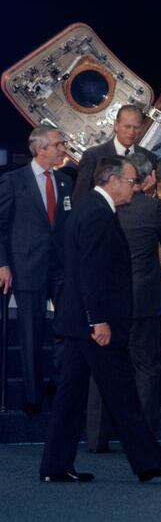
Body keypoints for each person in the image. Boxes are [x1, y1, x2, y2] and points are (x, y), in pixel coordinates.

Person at [39, 156, 161, 482]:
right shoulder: (97, 214)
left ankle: (55, 466)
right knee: (121, 392)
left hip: (79, 324)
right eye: (132, 181)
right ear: (112, 180)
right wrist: (98, 321)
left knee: (70, 397)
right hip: (94, 327)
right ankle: (149, 462)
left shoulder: (90, 207)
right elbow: (91, 274)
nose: (135, 187)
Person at [85, 153, 161, 452]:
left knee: (103, 368)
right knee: (146, 369)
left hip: (108, 302)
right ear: (149, 178)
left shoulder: (104, 207)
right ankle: (140, 439)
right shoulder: (151, 207)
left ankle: (95, 438)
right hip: (144, 302)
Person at [0, 125, 73, 414]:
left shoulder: (65, 181)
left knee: (69, 326)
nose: (62, 149)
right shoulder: (13, 181)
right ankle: (33, 398)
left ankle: (57, 382)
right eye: (57, 145)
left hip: (61, 267)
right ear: (40, 149)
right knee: (31, 333)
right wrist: (3, 263)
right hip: (27, 267)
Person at [72, 104, 157, 205]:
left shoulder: (150, 158)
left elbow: (154, 203)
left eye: (136, 127)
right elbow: (80, 199)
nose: (131, 132)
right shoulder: (93, 156)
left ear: (142, 128)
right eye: (127, 126)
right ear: (116, 125)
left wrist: (151, 193)